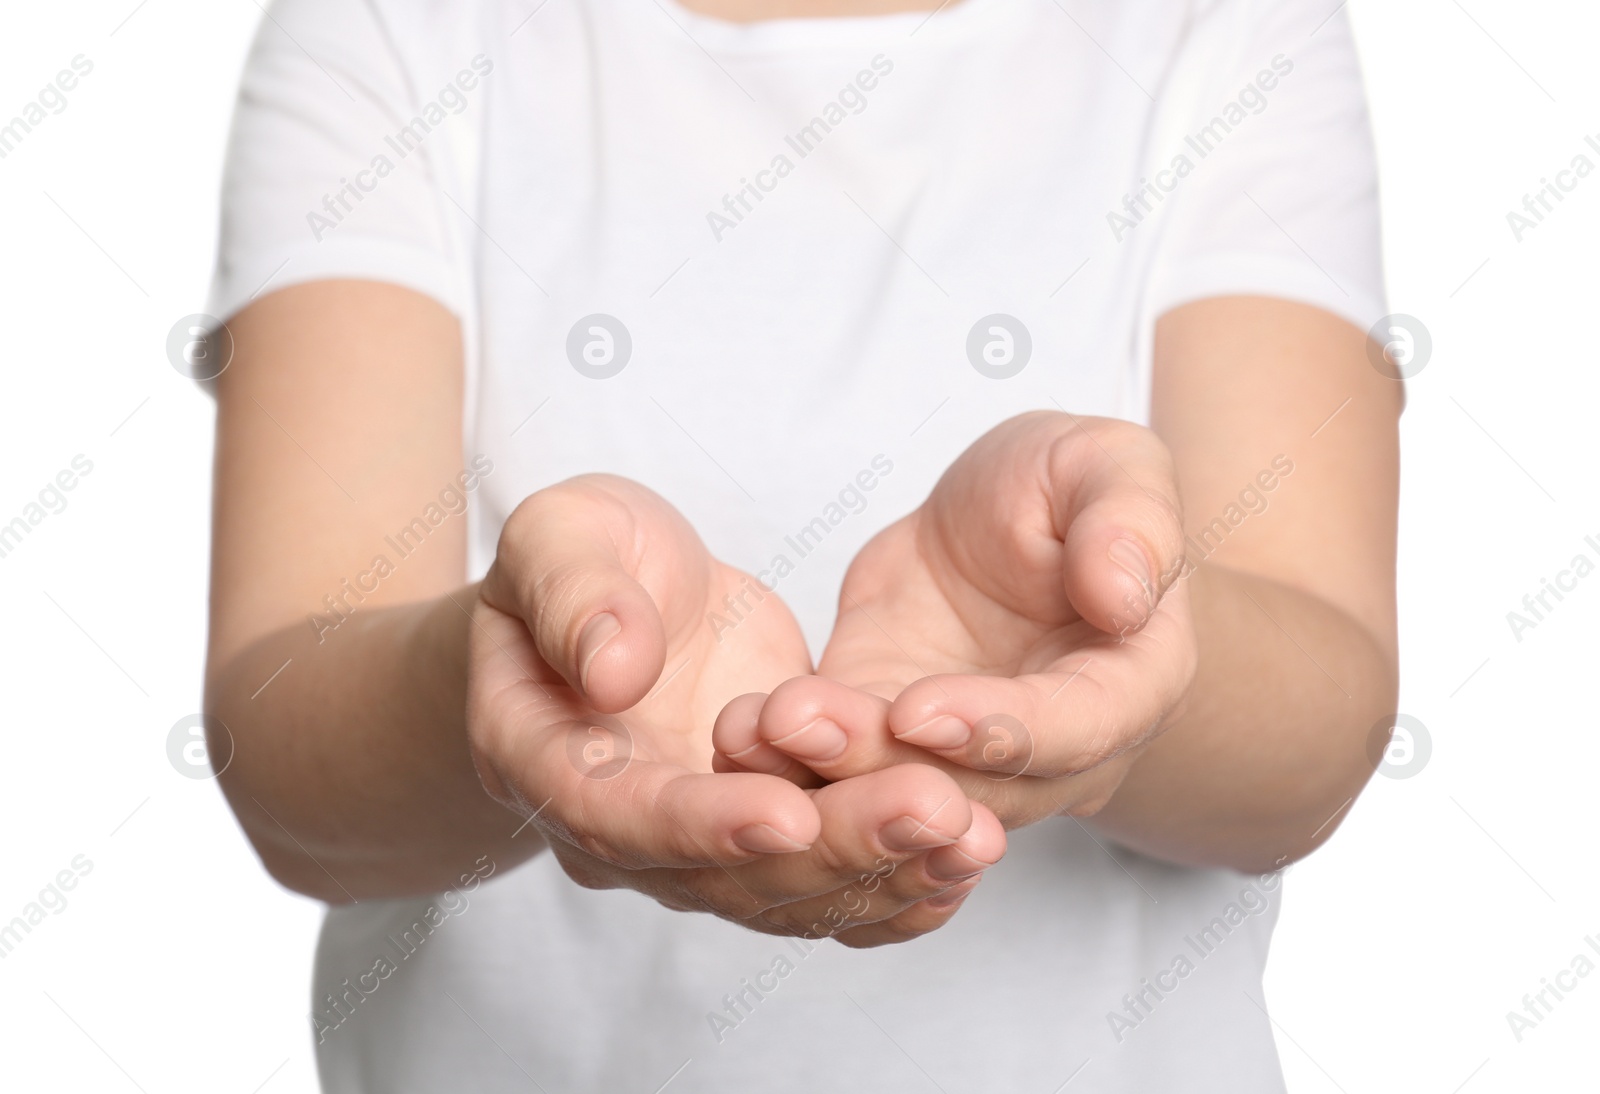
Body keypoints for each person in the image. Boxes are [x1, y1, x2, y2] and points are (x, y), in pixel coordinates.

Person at [202, 0, 1400, 1089]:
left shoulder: (1226, 28)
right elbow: (288, 763)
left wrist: (1110, 645)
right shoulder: (389, 26)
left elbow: (1316, 739)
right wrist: (505, 673)